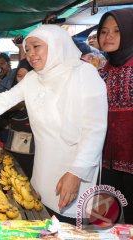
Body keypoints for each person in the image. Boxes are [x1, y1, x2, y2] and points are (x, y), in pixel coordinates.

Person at [0, 25, 108, 223]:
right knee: (43, 216)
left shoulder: (84, 74)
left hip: (75, 165)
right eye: (28, 48)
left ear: (56, 45)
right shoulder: (33, 78)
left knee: (70, 224)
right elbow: (6, 99)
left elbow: (95, 129)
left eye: (36, 47)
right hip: (44, 165)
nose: (31, 54)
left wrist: (76, 172)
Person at [97, 8, 133, 224]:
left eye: (117, 31)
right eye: (104, 31)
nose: (108, 36)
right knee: (104, 221)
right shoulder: (101, 71)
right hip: (105, 160)